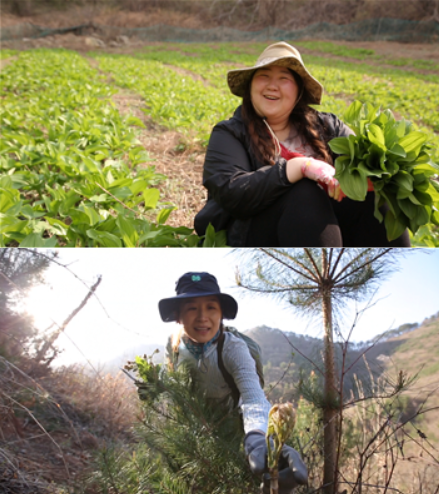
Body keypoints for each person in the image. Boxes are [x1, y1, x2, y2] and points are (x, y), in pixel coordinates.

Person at [194, 41, 410, 247]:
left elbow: (365, 162)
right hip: (253, 236)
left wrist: (390, 175)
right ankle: (320, 279)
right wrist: (298, 168)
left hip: (325, 232)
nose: (272, 85)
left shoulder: (327, 127)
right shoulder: (229, 133)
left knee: (377, 196)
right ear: (250, 87)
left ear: (298, 91)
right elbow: (232, 193)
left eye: (284, 78)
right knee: (303, 191)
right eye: (263, 76)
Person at [158, 271, 308, 493]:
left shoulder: (233, 348)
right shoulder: (174, 347)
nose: (202, 317)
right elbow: (169, 385)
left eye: (211, 307)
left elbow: (253, 397)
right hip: (195, 432)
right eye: (191, 308)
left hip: (235, 429)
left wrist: (257, 439)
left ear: (221, 315)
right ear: (179, 317)